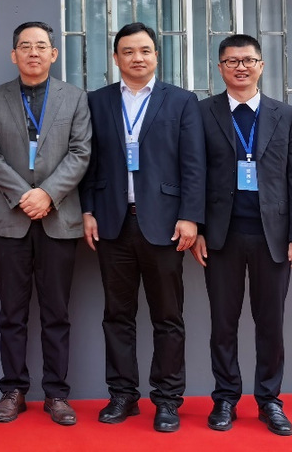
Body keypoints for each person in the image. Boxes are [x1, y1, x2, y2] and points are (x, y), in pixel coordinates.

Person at [81, 22, 205, 433]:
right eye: (129, 51)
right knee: (117, 315)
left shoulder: (181, 101)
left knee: (168, 317)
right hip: (112, 223)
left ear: (156, 55)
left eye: (145, 50)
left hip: (165, 225)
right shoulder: (96, 101)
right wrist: (88, 210)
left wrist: (190, 216)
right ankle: (122, 395)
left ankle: (167, 400)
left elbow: (193, 164)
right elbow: (88, 162)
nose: (138, 57)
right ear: (116, 58)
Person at [193, 34, 292, 436]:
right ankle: (225, 397)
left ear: (261, 65)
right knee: (223, 323)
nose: (240, 67)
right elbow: (195, 175)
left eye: (248, 60)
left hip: (272, 236)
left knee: (270, 323)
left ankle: (269, 400)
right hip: (221, 236)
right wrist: (198, 230)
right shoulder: (203, 113)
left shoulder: (287, 115)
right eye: (232, 61)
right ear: (220, 68)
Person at [0, 22, 91, 426]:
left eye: (41, 46)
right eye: (25, 46)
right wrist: (24, 195)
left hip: (58, 218)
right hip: (9, 218)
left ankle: (57, 394)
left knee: (57, 311)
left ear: (53, 54)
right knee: (13, 312)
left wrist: (48, 194)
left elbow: (80, 152)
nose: (33, 53)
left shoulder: (74, 98)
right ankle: (13, 389)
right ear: (14, 55)